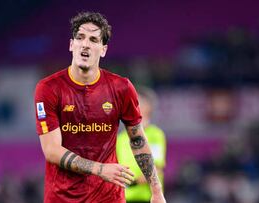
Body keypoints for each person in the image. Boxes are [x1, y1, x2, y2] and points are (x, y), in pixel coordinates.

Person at [34, 12, 166, 203]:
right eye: (80, 38)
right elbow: (52, 150)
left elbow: (137, 139)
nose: (85, 44)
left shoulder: (121, 88)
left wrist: (156, 191)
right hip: (62, 198)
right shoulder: (49, 88)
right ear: (72, 45)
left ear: (103, 49)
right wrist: (100, 169)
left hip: (108, 197)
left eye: (93, 39)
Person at [117, 87, 167, 203]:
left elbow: (156, 168)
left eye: (136, 102)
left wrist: (133, 183)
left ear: (148, 107)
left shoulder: (155, 134)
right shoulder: (121, 138)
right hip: (123, 199)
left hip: (147, 198)